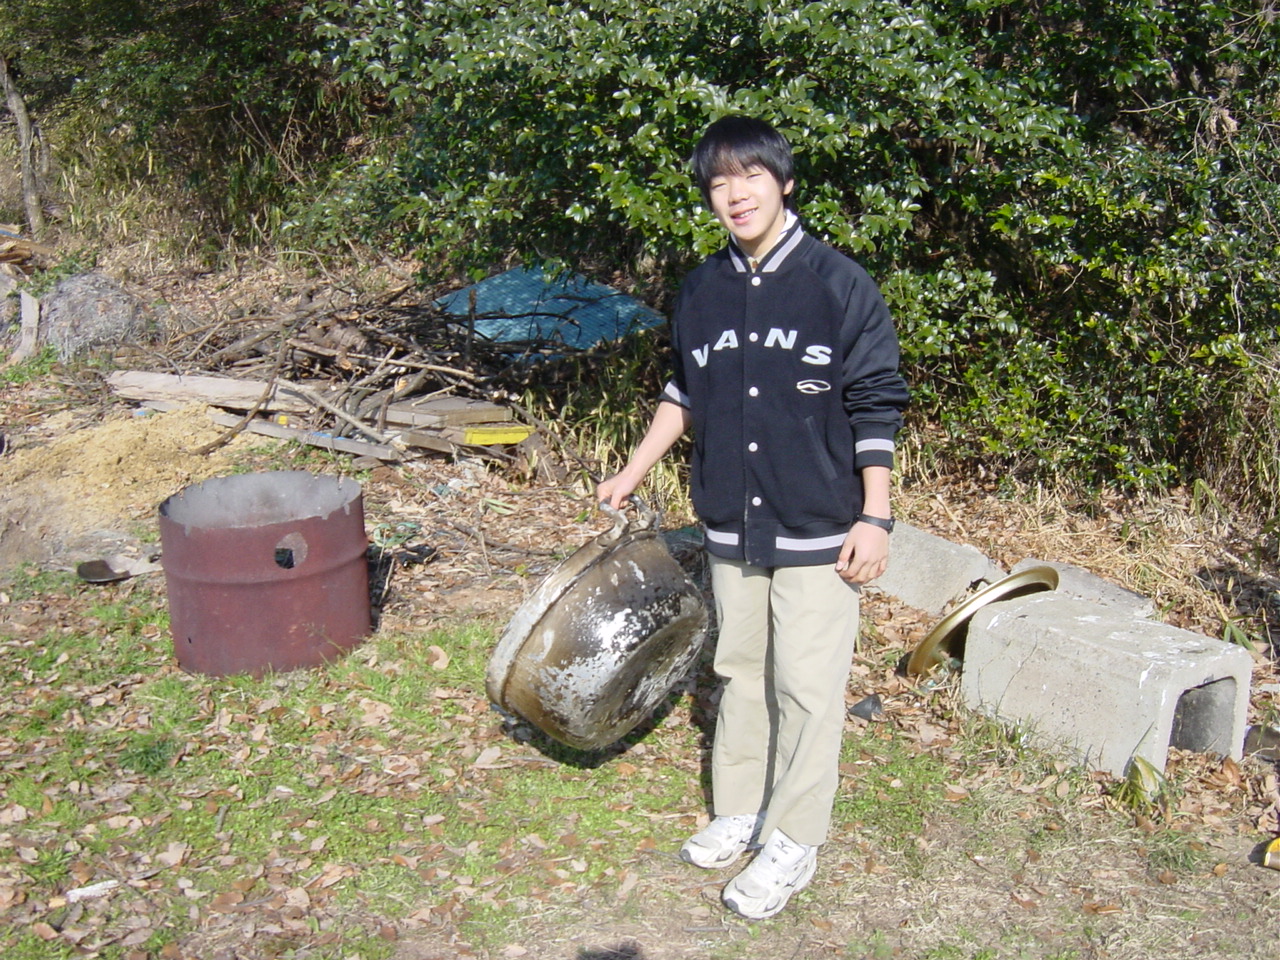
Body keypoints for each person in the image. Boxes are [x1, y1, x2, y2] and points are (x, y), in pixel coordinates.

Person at [596, 115, 909, 920]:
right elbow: (684, 392)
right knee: (739, 670)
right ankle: (740, 810)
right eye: (719, 183)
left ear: (784, 182)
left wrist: (875, 516)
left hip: (819, 524)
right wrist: (633, 469)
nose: (735, 194)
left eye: (751, 177)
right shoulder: (701, 290)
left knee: (806, 686)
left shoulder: (839, 284)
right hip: (731, 522)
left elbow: (876, 401)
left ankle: (794, 838)